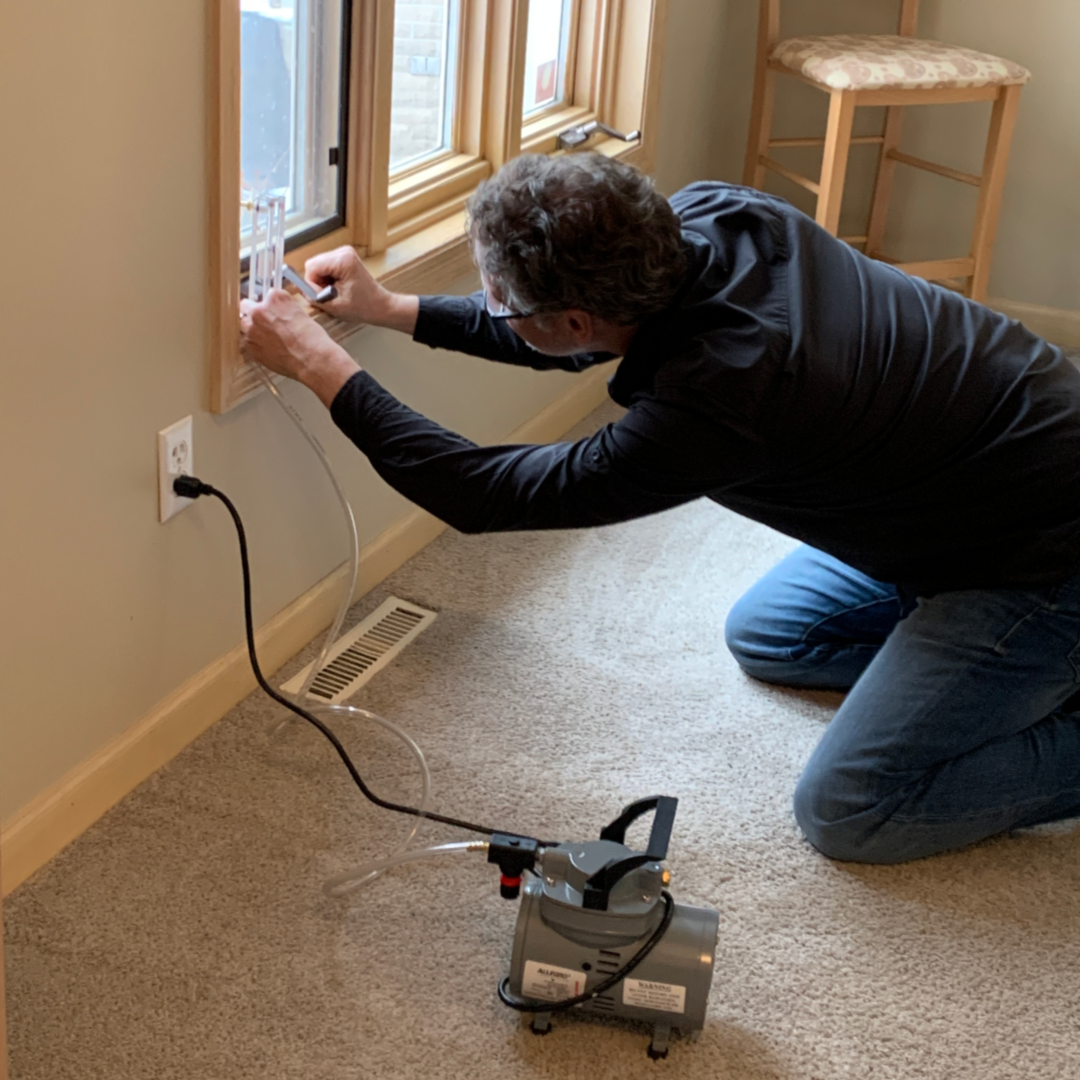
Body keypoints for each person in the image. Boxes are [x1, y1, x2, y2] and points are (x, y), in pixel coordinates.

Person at [240, 152, 1080, 865]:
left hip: (1042, 561)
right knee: (770, 634)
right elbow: (579, 335)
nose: (495, 308)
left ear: (571, 315)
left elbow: (480, 493)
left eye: (500, 300)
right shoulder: (710, 219)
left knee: (851, 808)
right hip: (987, 477)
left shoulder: (724, 398)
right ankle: (993, 668)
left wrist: (320, 365)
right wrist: (389, 310)